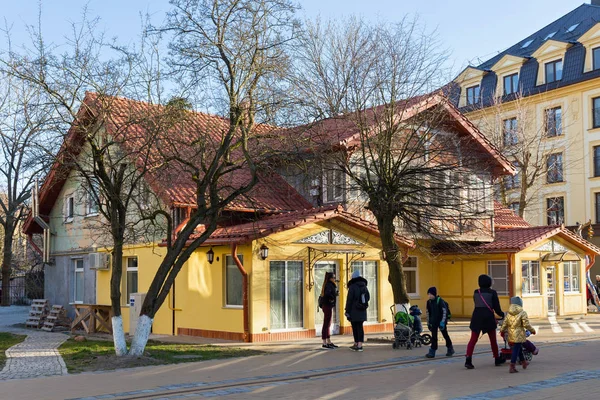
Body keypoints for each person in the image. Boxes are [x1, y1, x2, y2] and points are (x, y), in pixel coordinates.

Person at [465, 274, 505, 369]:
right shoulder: (493, 293)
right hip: (488, 317)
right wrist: (503, 314)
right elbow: (497, 308)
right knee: (493, 340)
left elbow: (477, 302)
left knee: (473, 339)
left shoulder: (476, 292)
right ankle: (496, 358)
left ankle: (468, 359)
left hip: (476, 316)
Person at [500, 296, 536, 373]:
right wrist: (532, 330)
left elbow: (505, 323)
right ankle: (512, 366)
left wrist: (502, 330)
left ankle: (524, 362)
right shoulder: (523, 313)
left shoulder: (508, 313)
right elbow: (526, 324)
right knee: (516, 349)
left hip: (511, 334)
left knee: (518, 348)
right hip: (519, 334)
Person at [425, 287, 454, 358]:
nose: (429, 295)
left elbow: (444, 312)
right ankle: (432, 351)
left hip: (441, 321)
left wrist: (443, 322)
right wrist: (429, 323)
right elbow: (428, 313)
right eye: (428, 294)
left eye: (430, 294)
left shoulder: (440, 301)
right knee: (434, 337)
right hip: (433, 322)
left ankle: (450, 348)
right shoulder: (429, 302)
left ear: (434, 294)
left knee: (445, 335)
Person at [345, 269, 370, 352]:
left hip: (354, 310)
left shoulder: (352, 287)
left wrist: (347, 311)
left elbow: (349, 300)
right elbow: (368, 298)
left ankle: (357, 344)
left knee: (355, 327)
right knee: (360, 327)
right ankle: (359, 344)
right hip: (362, 310)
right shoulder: (364, 286)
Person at [320, 272, 338, 349]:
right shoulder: (329, 285)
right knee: (326, 324)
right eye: (333, 278)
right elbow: (328, 294)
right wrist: (332, 298)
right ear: (330, 278)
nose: (334, 279)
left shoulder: (328, 284)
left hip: (327, 305)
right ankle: (325, 342)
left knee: (328, 323)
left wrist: (335, 294)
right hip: (327, 305)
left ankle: (328, 341)